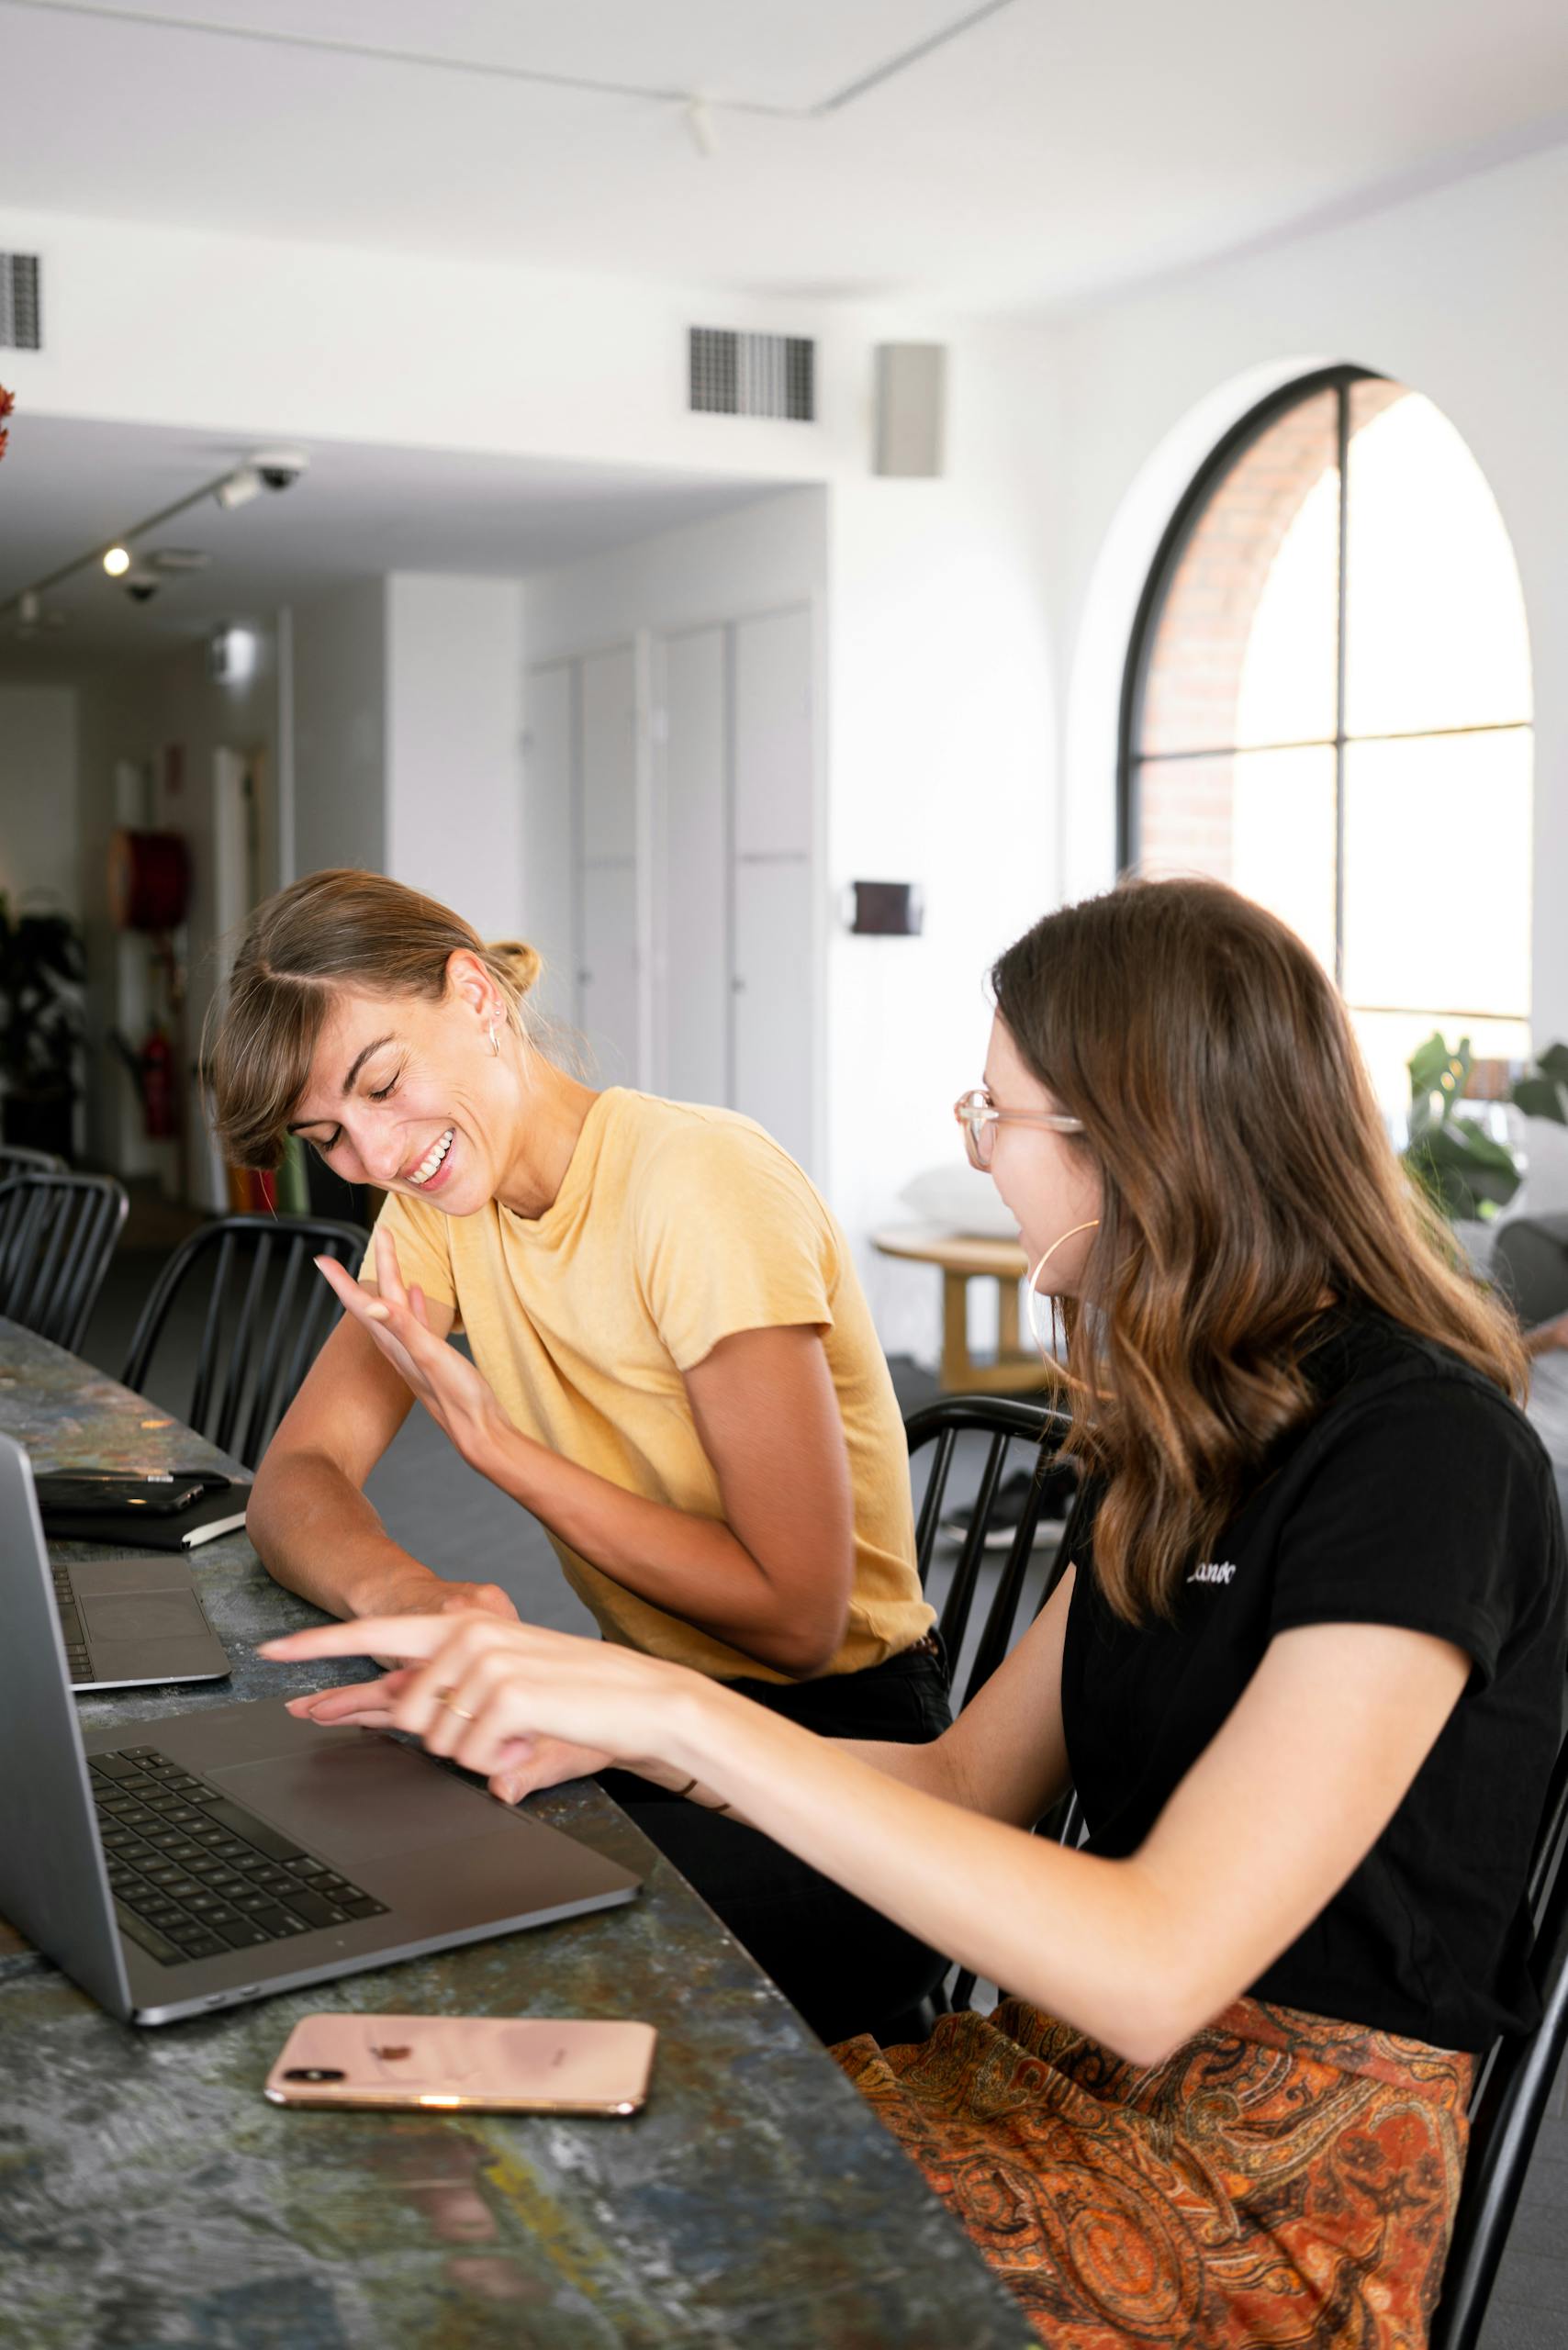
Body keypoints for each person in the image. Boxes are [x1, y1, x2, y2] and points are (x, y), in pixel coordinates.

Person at [263, 877, 1566, 2350]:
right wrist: (605, 1734)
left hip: (1257, 2208)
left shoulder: (1427, 1456)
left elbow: (1155, 1969)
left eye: (994, 1115)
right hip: (1050, 2085)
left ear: (1137, 1138)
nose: (981, 1153)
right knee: (467, 2156)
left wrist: (665, 1706)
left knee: (556, 2246)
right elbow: (962, 1783)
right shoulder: (1194, 1434)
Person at [210, 867, 949, 2042]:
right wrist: (420, 1593)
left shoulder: (696, 1184)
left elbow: (800, 1617)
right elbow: (296, 1482)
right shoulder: (443, 1209)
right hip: (646, 1719)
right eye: (328, 1136)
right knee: (354, 1836)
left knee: (463, 1931)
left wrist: (502, 1452)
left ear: (475, 995)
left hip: (845, 1767)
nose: (378, 1156)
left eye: (385, 1085)